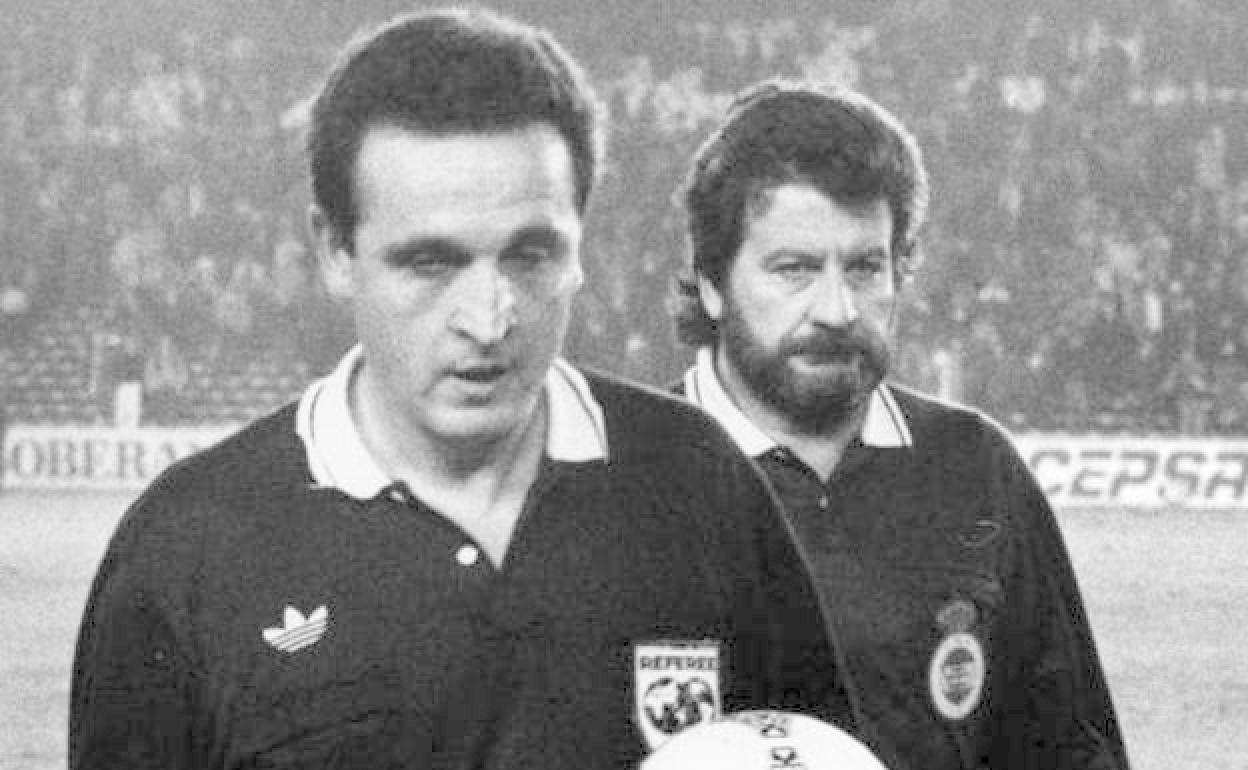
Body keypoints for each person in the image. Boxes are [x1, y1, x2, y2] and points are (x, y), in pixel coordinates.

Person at [69, 12, 854, 769]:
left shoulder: (698, 479)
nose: (488, 318)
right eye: (430, 262)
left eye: (530, 255)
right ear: (335, 250)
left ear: (580, 245)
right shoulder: (189, 547)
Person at [672, 81, 1129, 770]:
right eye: (794, 269)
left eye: (865, 267)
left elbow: (1071, 750)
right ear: (712, 282)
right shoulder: (631, 480)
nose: (836, 309)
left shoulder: (976, 470)